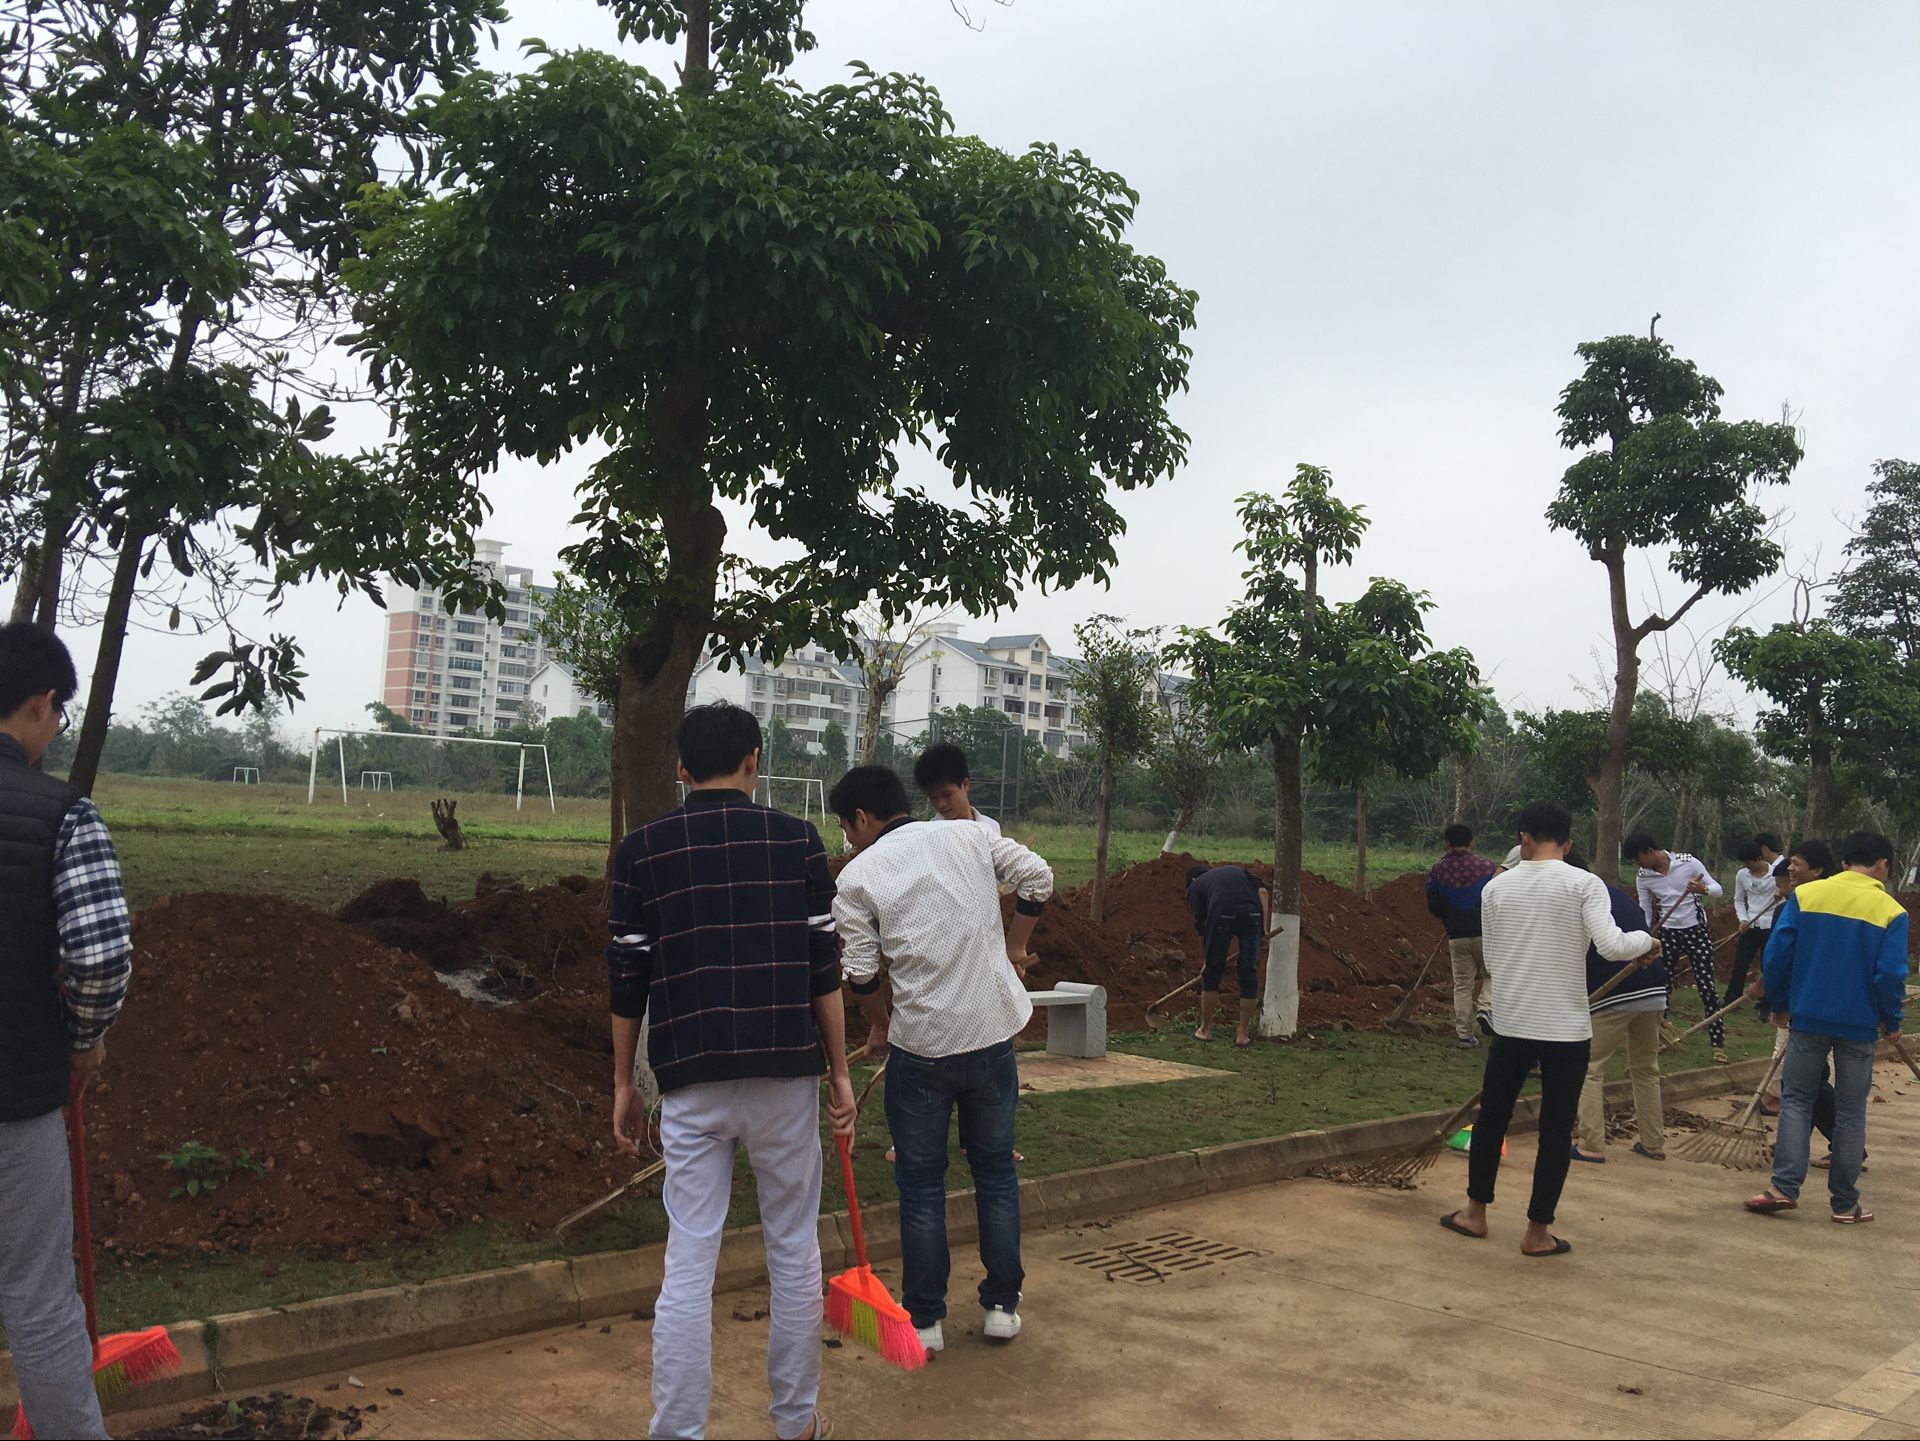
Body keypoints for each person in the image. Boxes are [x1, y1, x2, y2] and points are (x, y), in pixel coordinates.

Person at [607, 703, 853, 1441]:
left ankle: (676, 1430)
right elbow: (824, 968)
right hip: (785, 1075)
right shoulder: (798, 841)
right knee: (793, 1248)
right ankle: (796, 1422)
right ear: (754, 760)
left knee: (689, 1257)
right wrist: (840, 1071)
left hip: (691, 1075)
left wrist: (623, 1082)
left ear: (681, 767)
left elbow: (626, 977)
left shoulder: (641, 850)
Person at [832, 765, 1054, 1354]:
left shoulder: (857, 877)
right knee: (995, 1172)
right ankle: (1002, 1307)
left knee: (922, 1186)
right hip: (992, 1036)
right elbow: (1038, 876)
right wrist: (1015, 945)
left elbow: (860, 973)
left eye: (846, 829)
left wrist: (880, 1024)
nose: (847, 841)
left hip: (922, 1049)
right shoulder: (970, 834)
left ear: (861, 819)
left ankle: (926, 1321)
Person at [0, 623, 132, 1441]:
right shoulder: (63, 816)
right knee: (39, 1298)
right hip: (16, 1103)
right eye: (59, 715)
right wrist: (84, 1038)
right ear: (43, 704)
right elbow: (100, 955)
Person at [1440, 801, 1657, 1257]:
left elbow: (1492, 960)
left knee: (1492, 1119)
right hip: (1566, 1030)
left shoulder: (1496, 888)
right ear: (1568, 843)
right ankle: (1537, 1233)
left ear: (1523, 838)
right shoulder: (1584, 884)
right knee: (1555, 1131)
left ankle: (1475, 1214)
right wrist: (1647, 940)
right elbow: (1612, 945)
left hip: (1512, 1023)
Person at [1746, 832, 1908, 1225]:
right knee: (1851, 1112)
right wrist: (1891, 1021)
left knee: (1797, 1101)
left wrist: (1779, 1004)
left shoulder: (1807, 896)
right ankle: (1845, 1205)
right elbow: (1890, 974)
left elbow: (1778, 954)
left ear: (1845, 862)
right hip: (1859, 1025)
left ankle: (1783, 1188)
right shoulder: (1891, 911)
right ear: (1883, 865)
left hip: (1808, 1017)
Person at [1566, 853, 1667, 1163]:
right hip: (1653, 987)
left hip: (1614, 991)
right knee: (1645, 1067)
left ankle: (1591, 1144)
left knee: (1589, 1067)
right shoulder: (1617, 894)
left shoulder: (1575, 899)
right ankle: (1653, 1143)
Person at [1625, 834, 1727, 1062]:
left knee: (1707, 987)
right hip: (1667, 933)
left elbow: (1717, 889)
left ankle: (1718, 1044)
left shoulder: (1687, 862)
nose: (1638, 864)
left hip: (1696, 930)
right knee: (1663, 987)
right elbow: (1645, 909)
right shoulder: (1643, 876)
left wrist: (1702, 889)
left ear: (1648, 851)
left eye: (1638, 858)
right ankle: (1659, 1039)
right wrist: (1644, 935)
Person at [1424, 824, 1499, 1048]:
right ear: (1472, 842)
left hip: (1456, 935)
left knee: (1463, 985)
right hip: (1485, 933)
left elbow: (1433, 902)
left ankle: (1464, 1034)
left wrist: (1448, 915)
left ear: (1447, 843)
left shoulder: (1438, 870)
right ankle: (1485, 1008)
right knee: (1494, 975)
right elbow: (1498, 896)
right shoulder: (1487, 867)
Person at [1184, 863, 1271, 1049]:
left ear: (1192, 880)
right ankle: (1242, 1035)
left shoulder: (1195, 887)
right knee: (1249, 973)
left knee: (1212, 974)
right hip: (1253, 913)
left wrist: (1208, 960)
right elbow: (1263, 892)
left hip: (1223, 913)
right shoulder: (1238, 871)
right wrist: (1263, 928)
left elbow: (1203, 927)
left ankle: (1205, 1030)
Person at [1728, 839, 1782, 1017]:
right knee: (1740, 964)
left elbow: (1785, 897)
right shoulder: (1742, 875)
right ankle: (1731, 999)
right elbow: (1738, 899)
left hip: (1770, 927)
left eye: (1749, 862)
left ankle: (1766, 1004)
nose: (1747, 866)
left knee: (1768, 966)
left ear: (1759, 859)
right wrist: (1743, 919)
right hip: (1750, 926)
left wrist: (1780, 894)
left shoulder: (1776, 874)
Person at [912, 741, 1002, 837]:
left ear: (965, 784)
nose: (941, 804)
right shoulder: (930, 834)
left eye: (946, 795)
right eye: (934, 798)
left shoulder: (992, 827)